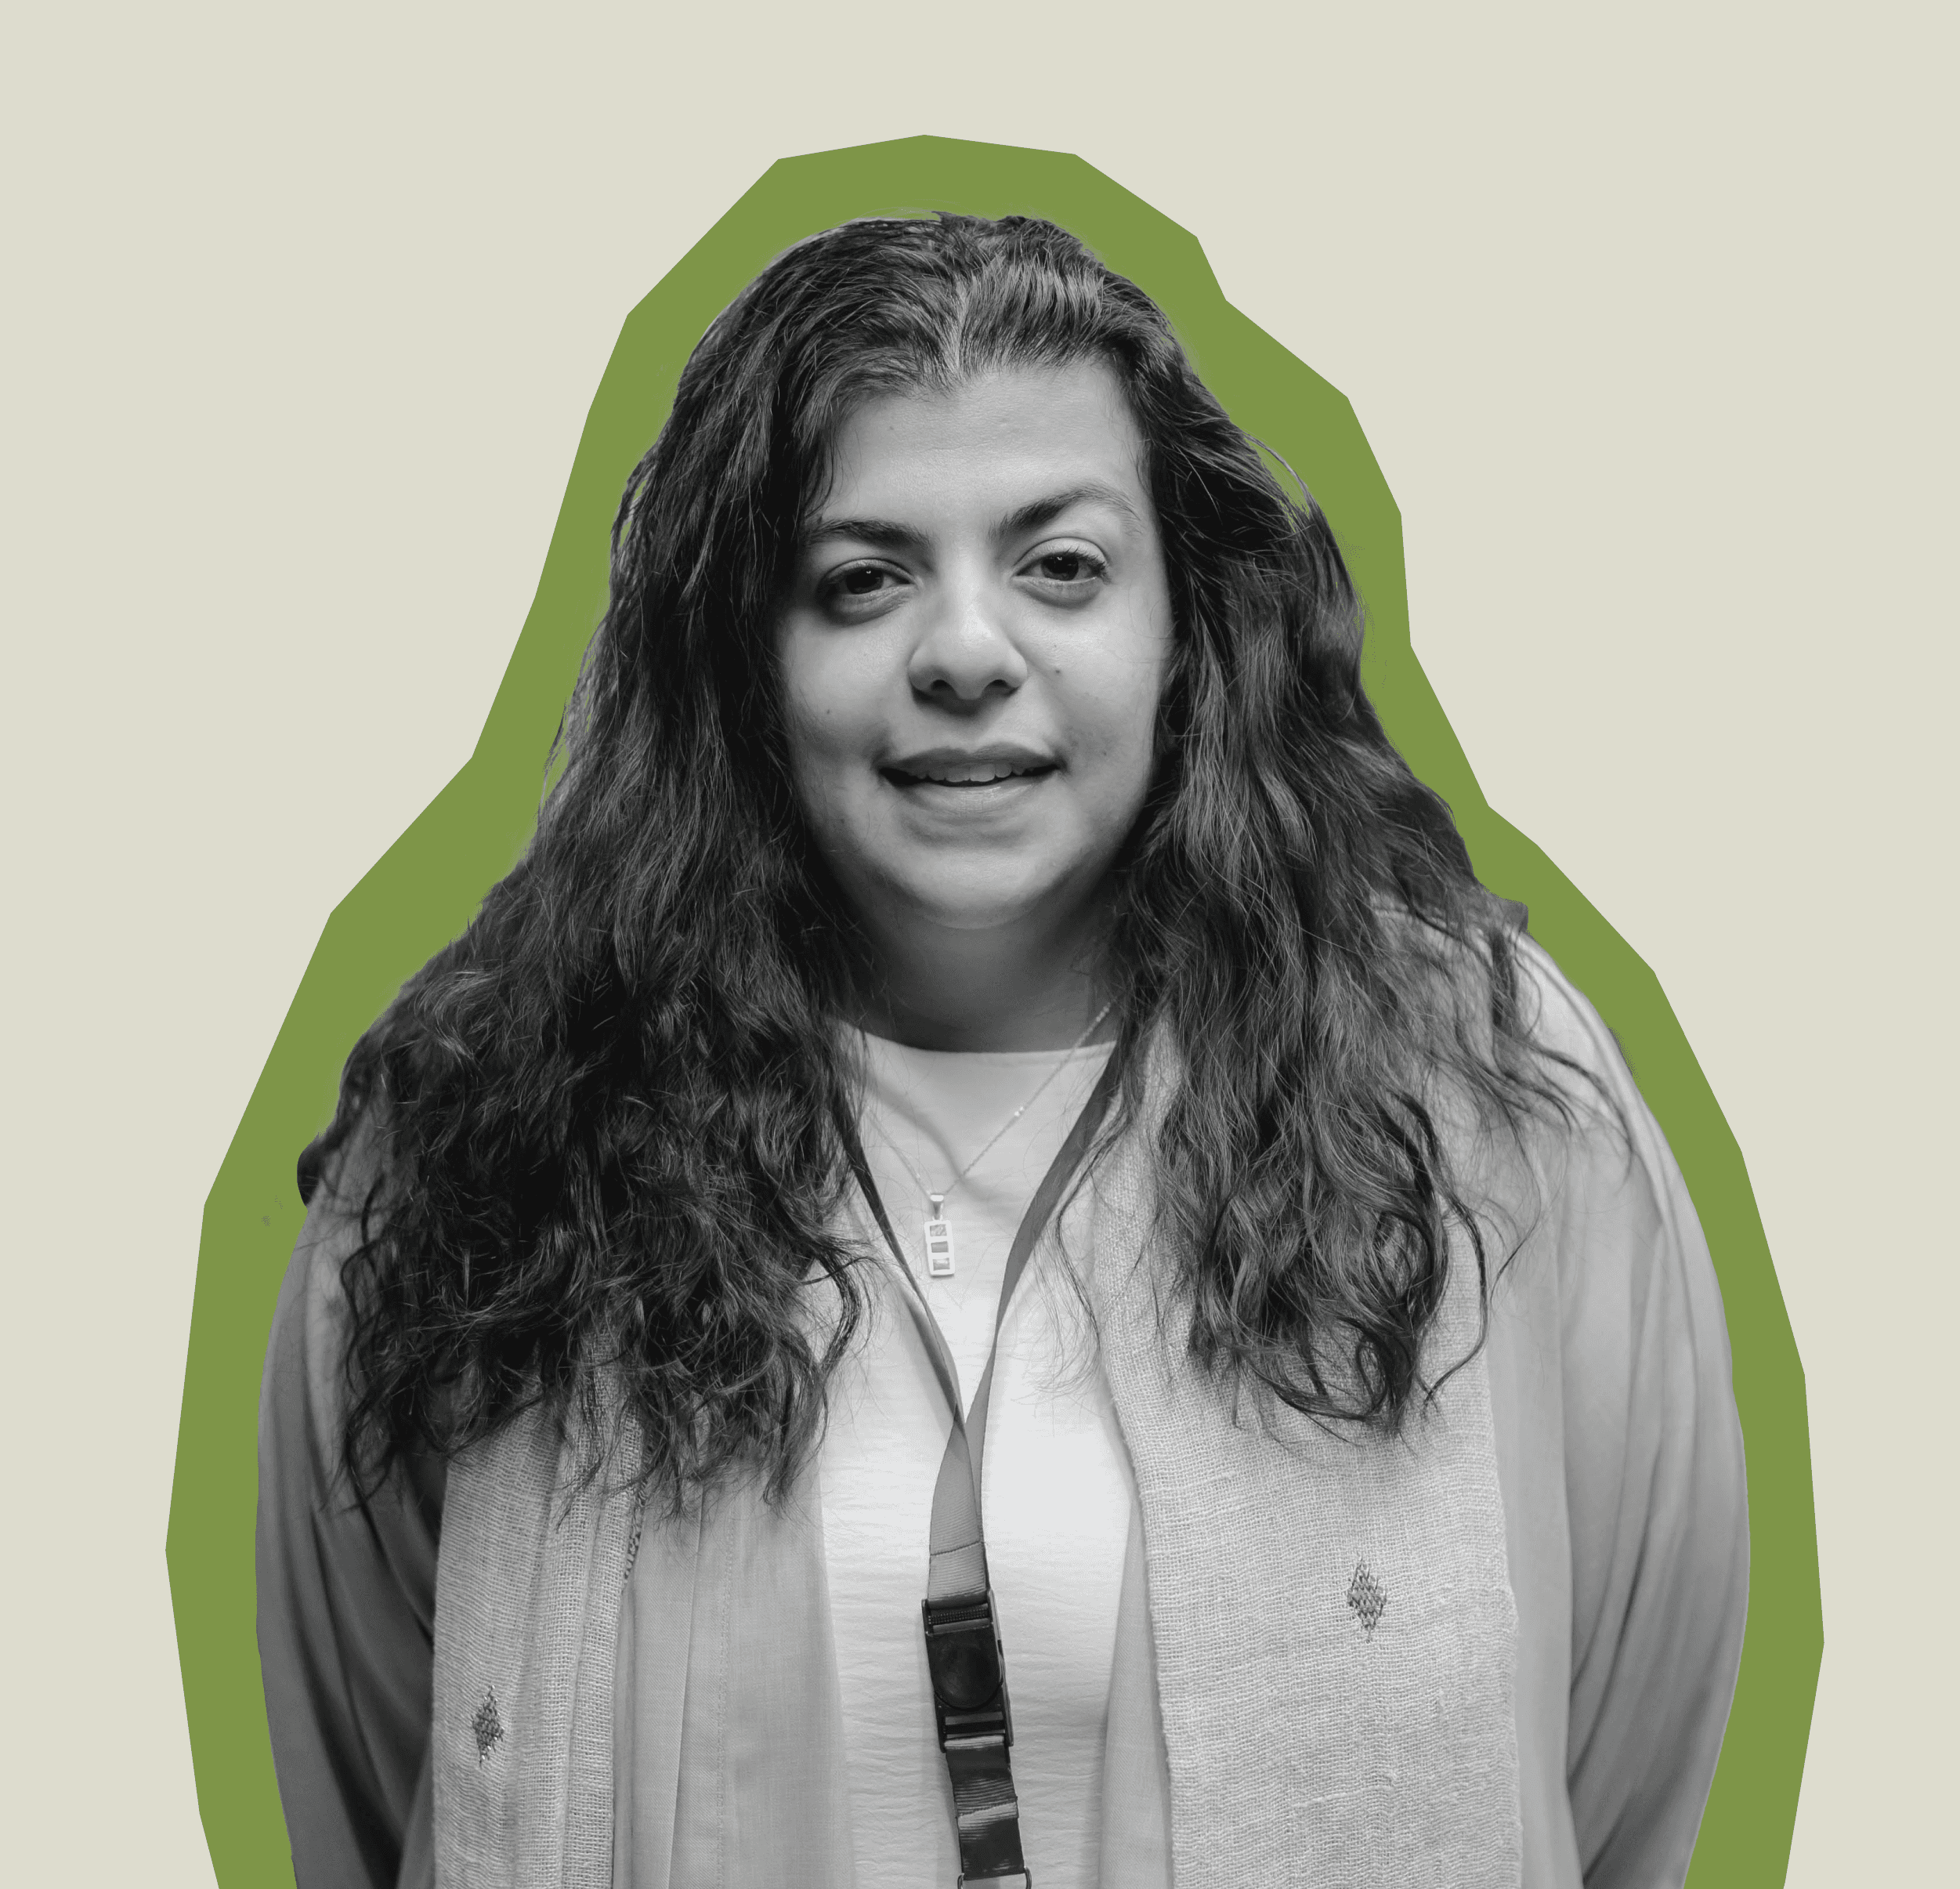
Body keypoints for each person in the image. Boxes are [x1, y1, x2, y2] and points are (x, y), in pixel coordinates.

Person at [256, 213, 1748, 1889]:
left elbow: (1624, 1745)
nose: (965, 651)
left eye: (1060, 566)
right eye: (861, 578)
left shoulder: (1484, 1094)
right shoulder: (483, 1135)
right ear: (739, 659)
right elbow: (381, 1779)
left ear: (1189, 624)